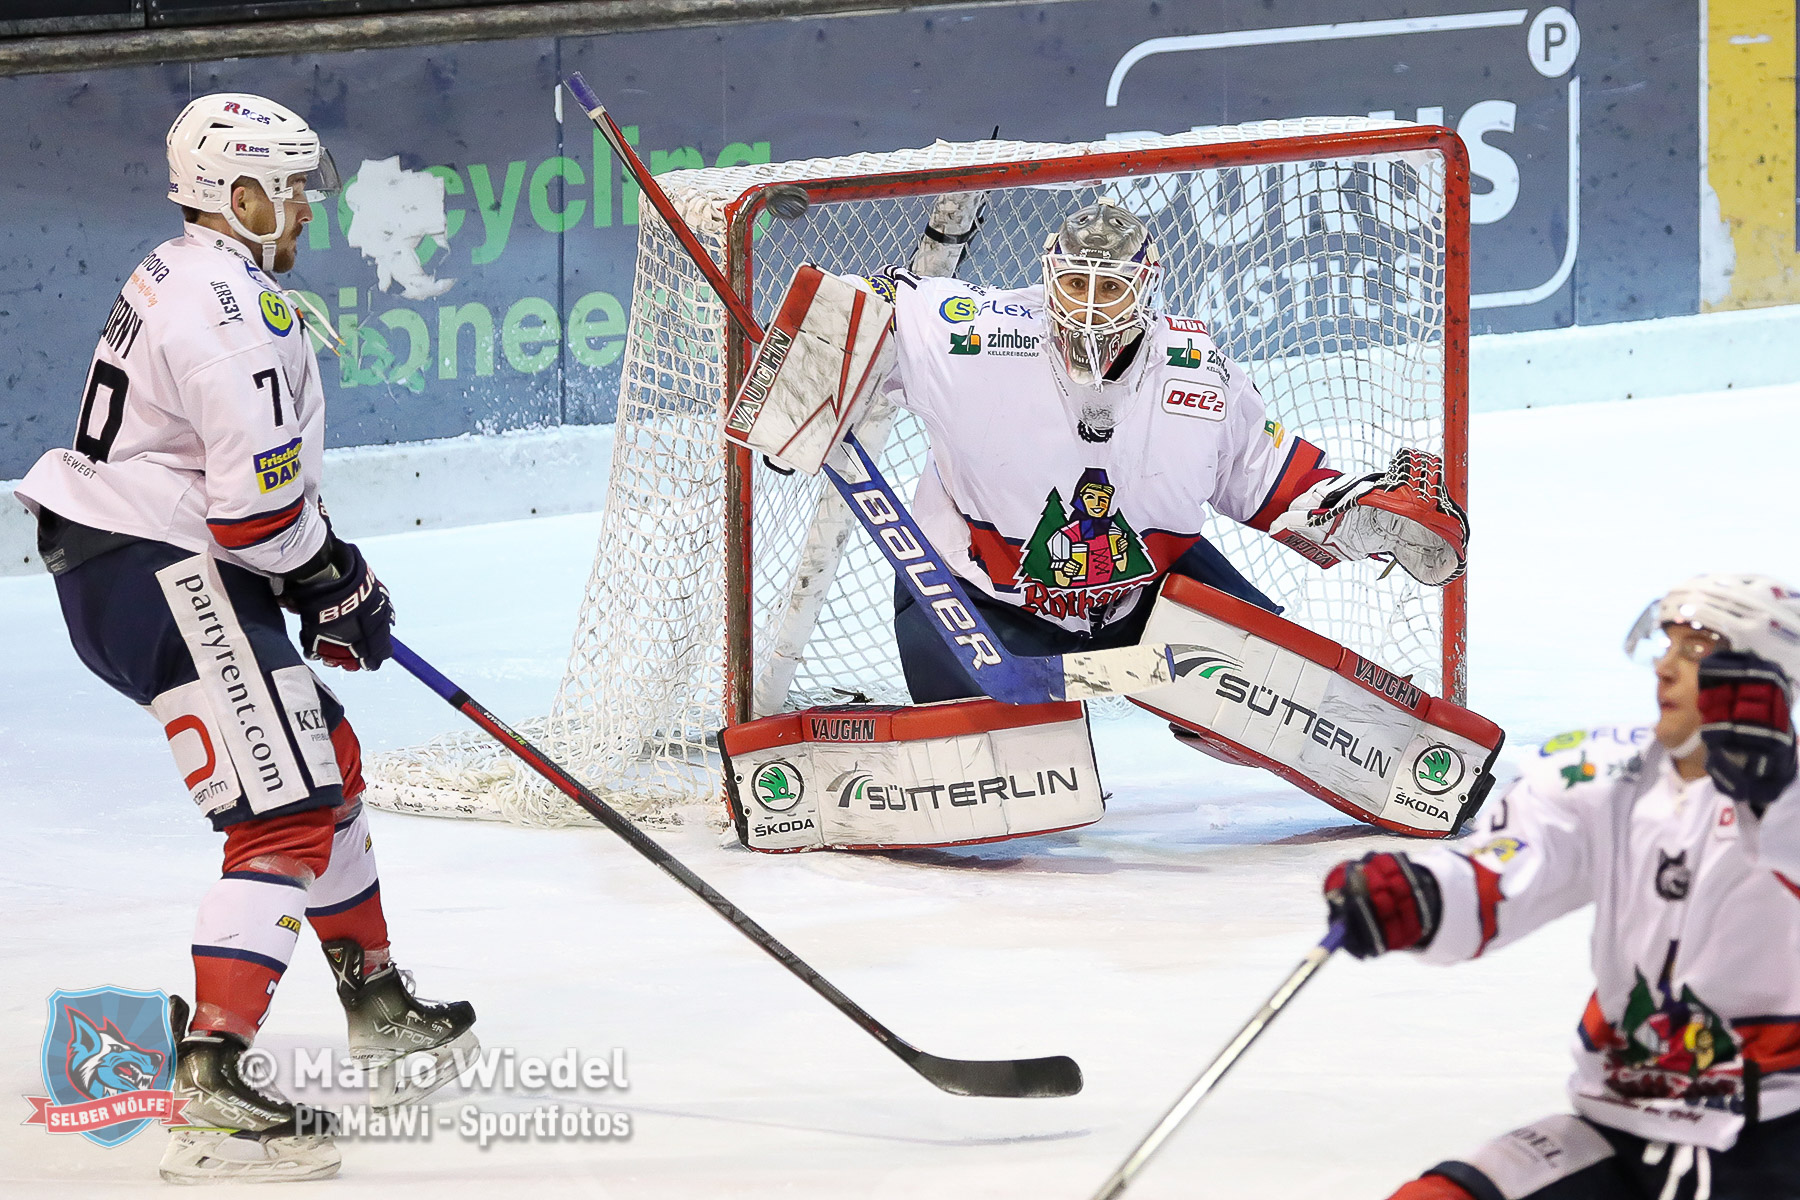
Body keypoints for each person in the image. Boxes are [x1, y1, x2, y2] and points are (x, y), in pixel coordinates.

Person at [13, 93, 475, 1183]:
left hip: (146, 559)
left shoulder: (181, 269)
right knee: (284, 810)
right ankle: (213, 1085)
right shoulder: (234, 315)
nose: (308, 206)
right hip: (165, 569)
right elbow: (258, 521)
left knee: (326, 759)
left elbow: (244, 501)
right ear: (239, 194)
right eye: (291, 187)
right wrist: (335, 578)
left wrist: (319, 578)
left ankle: (377, 1004)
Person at [867, 199, 1467, 709]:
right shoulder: (974, 337)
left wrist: (1356, 514)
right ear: (1049, 280)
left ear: (1145, 288)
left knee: (1280, 688)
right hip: (977, 595)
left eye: (1110, 287)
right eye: (1075, 285)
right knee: (1009, 759)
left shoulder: (1197, 373)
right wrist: (833, 334)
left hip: (1138, 596)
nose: (1089, 308)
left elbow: (1262, 477)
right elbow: (874, 311)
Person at [1323, 573, 1800, 1199]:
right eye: (1667, 646)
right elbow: (1508, 866)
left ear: (1761, 676)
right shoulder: (1605, 772)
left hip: (1773, 1136)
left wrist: (1774, 795)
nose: (1664, 669)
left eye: (1694, 651)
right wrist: (1426, 895)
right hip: (1620, 1118)